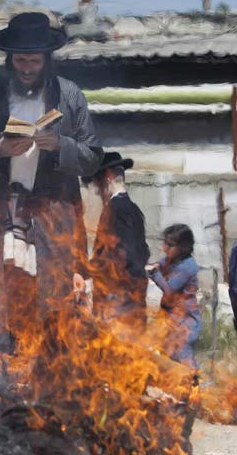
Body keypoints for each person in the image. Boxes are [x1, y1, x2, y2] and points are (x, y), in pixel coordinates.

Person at [0, 12, 103, 351]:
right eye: (20, 60)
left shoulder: (70, 95)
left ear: (46, 59)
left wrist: (61, 146)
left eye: (34, 61)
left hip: (51, 218)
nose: (26, 68)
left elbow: (93, 157)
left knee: (53, 306)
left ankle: (48, 380)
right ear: (9, 58)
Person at [78, 152, 150, 337]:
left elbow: (119, 256)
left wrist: (85, 271)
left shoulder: (116, 210)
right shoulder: (132, 209)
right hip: (128, 301)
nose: (96, 191)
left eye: (97, 184)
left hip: (119, 304)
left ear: (108, 177)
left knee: (117, 356)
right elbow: (142, 253)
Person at [146, 224, 201, 368]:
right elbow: (159, 264)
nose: (164, 248)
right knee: (168, 355)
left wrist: (154, 273)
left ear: (183, 247)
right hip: (171, 320)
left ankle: (194, 386)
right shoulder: (171, 259)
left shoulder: (187, 267)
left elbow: (169, 290)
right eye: (164, 243)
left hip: (185, 323)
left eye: (169, 245)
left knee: (184, 358)